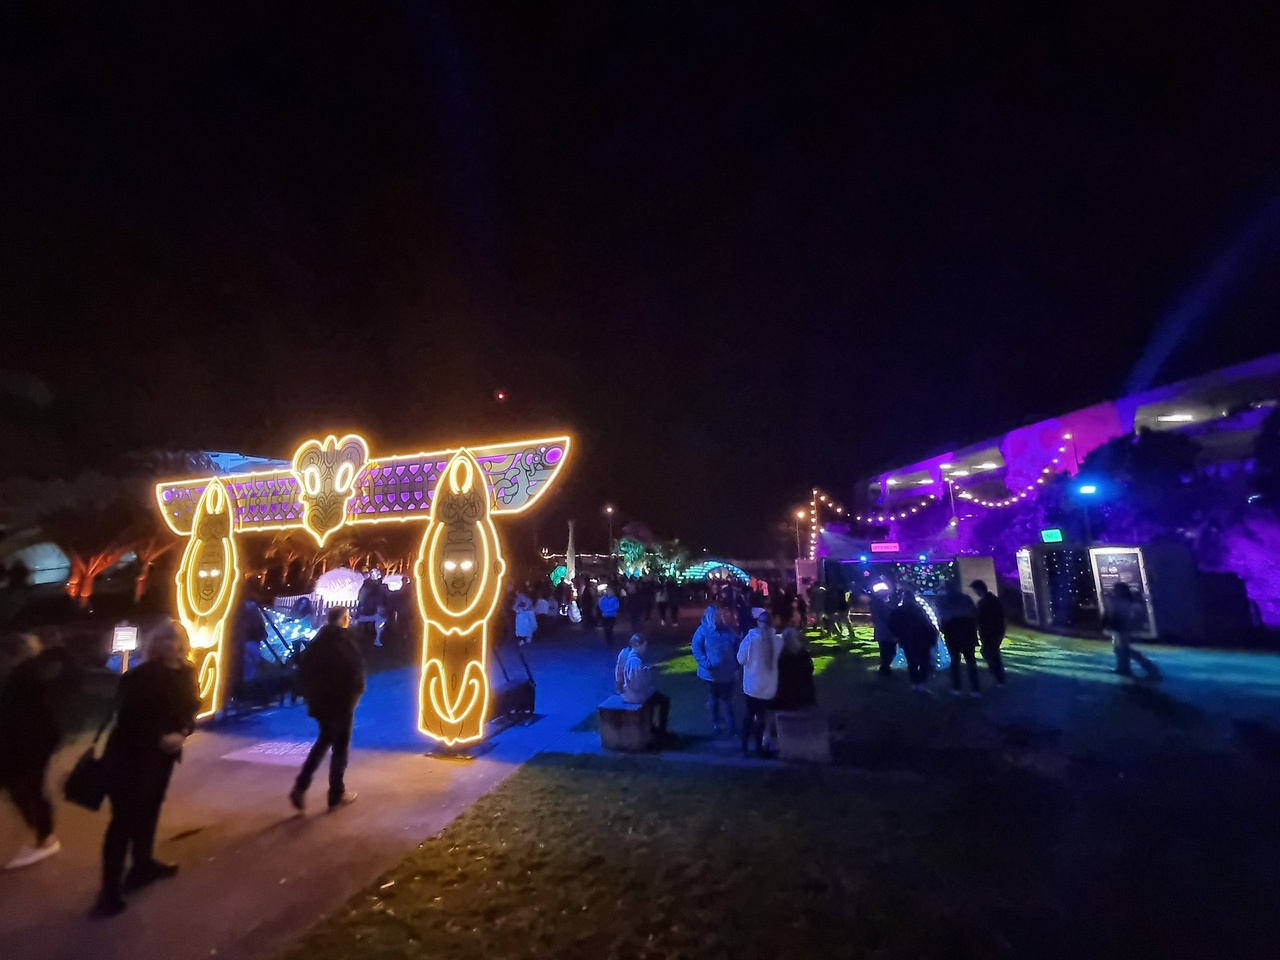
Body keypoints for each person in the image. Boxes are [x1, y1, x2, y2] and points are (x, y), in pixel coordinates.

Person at [95, 625, 200, 918]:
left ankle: (142, 865)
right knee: (123, 821)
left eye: (176, 638)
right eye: (165, 638)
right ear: (155, 643)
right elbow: (130, 718)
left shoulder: (186, 672)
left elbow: (191, 706)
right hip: (131, 756)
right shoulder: (140, 675)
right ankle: (109, 891)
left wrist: (183, 731)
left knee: (150, 810)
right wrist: (159, 737)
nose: (171, 644)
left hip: (162, 758)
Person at [1, 634, 74, 870]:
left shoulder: (26, 674)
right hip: (32, 739)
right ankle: (43, 831)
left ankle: (45, 837)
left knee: (28, 786)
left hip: (29, 740)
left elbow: (16, 711)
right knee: (24, 786)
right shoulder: (35, 671)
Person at [290, 607, 365, 816]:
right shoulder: (344, 641)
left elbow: (305, 668)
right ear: (343, 619)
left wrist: (310, 695)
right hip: (341, 702)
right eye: (347, 617)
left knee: (324, 741)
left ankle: (301, 786)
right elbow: (354, 669)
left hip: (321, 703)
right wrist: (356, 692)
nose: (349, 620)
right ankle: (336, 794)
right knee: (340, 747)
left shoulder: (318, 641)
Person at [737, 611, 783, 757]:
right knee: (761, 718)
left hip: (751, 686)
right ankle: (759, 747)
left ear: (758, 622)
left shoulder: (750, 639)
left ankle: (744, 746)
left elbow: (740, 659)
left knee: (748, 716)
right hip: (768, 688)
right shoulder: (778, 641)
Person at [690, 606, 740, 735]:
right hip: (710, 675)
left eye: (719, 615)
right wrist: (706, 663)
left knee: (727, 701)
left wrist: (735, 662)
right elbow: (696, 648)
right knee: (714, 699)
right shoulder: (702, 631)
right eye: (716, 615)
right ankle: (716, 723)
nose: (719, 618)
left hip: (727, 674)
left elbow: (737, 644)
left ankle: (731, 726)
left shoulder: (727, 630)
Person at [615, 634, 669, 740]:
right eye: (644, 646)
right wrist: (648, 673)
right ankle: (660, 732)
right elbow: (639, 684)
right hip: (634, 695)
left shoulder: (624, 653)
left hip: (627, 691)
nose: (645, 649)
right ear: (637, 645)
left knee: (654, 696)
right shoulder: (635, 661)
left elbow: (619, 672)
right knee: (663, 700)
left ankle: (651, 727)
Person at [1105, 583, 1160, 679]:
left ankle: (1150, 668)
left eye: (1116, 589)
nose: (1114, 591)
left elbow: (1121, 611)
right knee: (1119, 649)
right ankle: (1124, 668)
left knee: (1125, 650)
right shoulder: (1122, 600)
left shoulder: (1124, 601)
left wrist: (1110, 599)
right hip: (1119, 627)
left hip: (1122, 627)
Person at [888, 590, 939, 693]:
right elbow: (926, 624)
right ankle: (921, 683)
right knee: (924, 661)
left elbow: (892, 624)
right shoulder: (917, 609)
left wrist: (897, 636)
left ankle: (915, 683)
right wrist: (933, 636)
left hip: (907, 640)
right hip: (922, 639)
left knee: (912, 662)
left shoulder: (898, 611)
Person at [938, 581, 981, 697]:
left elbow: (942, 618)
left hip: (953, 634)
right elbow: (974, 614)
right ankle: (975, 688)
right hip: (967, 633)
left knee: (955, 661)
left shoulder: (943, 601)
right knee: (970, 661)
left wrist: (944, 628)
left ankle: (956, 687)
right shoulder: (965, 599)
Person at [773, 621, 816, 712]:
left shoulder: (782, 656)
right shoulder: (803, 654)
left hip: (787, 697)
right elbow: (810, 669)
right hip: (804, 696)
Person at [971, 580, 1007, 686]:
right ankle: (998, 676)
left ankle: (999, 677)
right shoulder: (994, 600)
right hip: (996, 631)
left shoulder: (983, 603)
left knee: (991, 653)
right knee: (992, 653)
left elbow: (981, 618)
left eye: (976, 590)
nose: (976, 593)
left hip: (990, 632)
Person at [869, 582, 897, 676]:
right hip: (886, 631)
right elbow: (886, 616)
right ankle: (885, 667)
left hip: (883, 631)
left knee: (886, 650)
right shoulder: (879, 604)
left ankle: (885, 667)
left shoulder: (879, 603)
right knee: (888, 650)